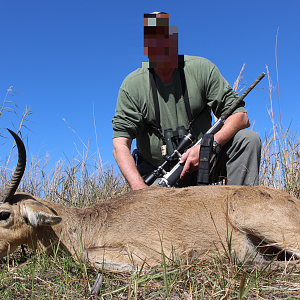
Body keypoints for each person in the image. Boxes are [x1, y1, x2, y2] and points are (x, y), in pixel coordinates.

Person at [112, 12, 261, 191]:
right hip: (160, 172)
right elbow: (120, 144)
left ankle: (240, 211)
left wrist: (209, 147)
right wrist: (140, 192)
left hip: (205, 161)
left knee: (248, 140)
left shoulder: (201, 68)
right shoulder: (132, 85)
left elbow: (241, 117)